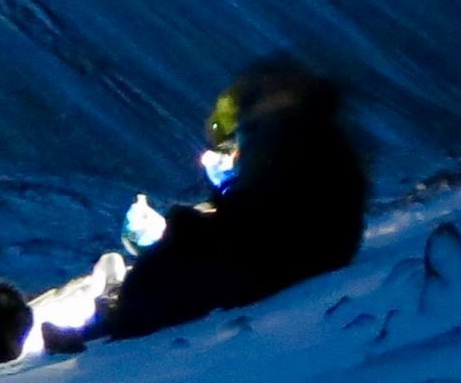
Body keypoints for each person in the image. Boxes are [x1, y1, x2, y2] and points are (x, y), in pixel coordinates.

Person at [92, 59, 370, 342]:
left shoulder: (292, 140)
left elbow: (262, 221)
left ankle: (115, 320)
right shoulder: (315, 134)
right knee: (186, 248)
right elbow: (269, 212)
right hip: (310, 251)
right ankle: (121, 310)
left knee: (175, 265)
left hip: (291, 259)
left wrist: (185, 224)